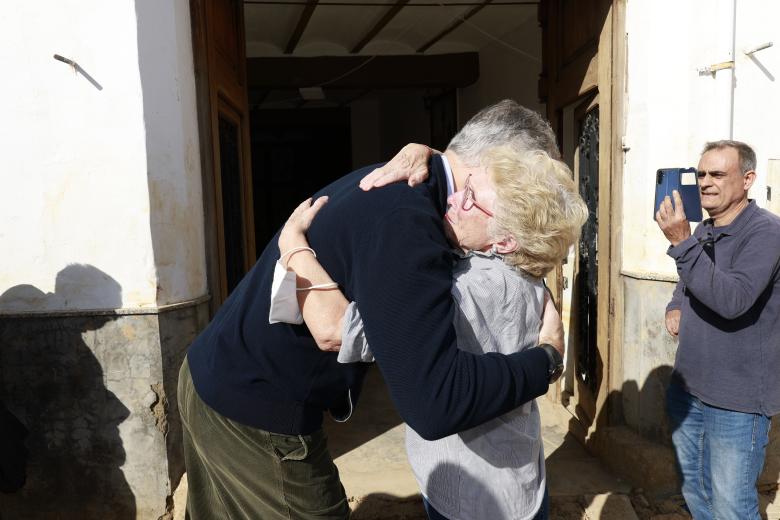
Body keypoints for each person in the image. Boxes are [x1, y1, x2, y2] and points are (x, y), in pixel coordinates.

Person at [178, 100, 566, 519]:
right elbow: (435, 402)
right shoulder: (410, 227)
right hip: (251, 409)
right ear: (493, 164)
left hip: (212, 373)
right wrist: (546, 361)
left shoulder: (418, 183)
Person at [277, 146, 588, 520]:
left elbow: (333, 329)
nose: (454, 197)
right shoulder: (529, 274)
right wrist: (426, 153)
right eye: (466, 185)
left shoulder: (466, 290)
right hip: (522, 479)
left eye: (470, 197)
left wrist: (293, 246)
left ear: (505, 240)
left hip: (470, 496)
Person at [656, 140, 780, 520]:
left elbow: (733, 300)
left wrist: (681, 241)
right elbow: (686, 284)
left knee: (730, 506)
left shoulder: (766, 234)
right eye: (702, 174)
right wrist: (675, 306)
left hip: (738, 401)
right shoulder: (704, 231)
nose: (705, 182)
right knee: (696, 492)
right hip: (688, 389)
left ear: (747, 179)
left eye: (717, 174)